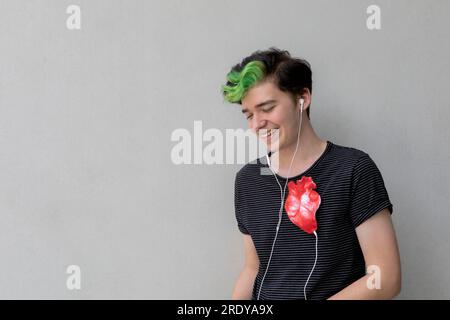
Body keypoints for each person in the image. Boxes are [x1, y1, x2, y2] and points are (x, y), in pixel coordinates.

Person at [221, 47, 401, 300]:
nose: (256, 124)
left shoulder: (354, 169)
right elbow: (253, 268)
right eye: (249, 114)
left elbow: (385, 278)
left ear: (302, 98)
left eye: (267, 107)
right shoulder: (248, 180)